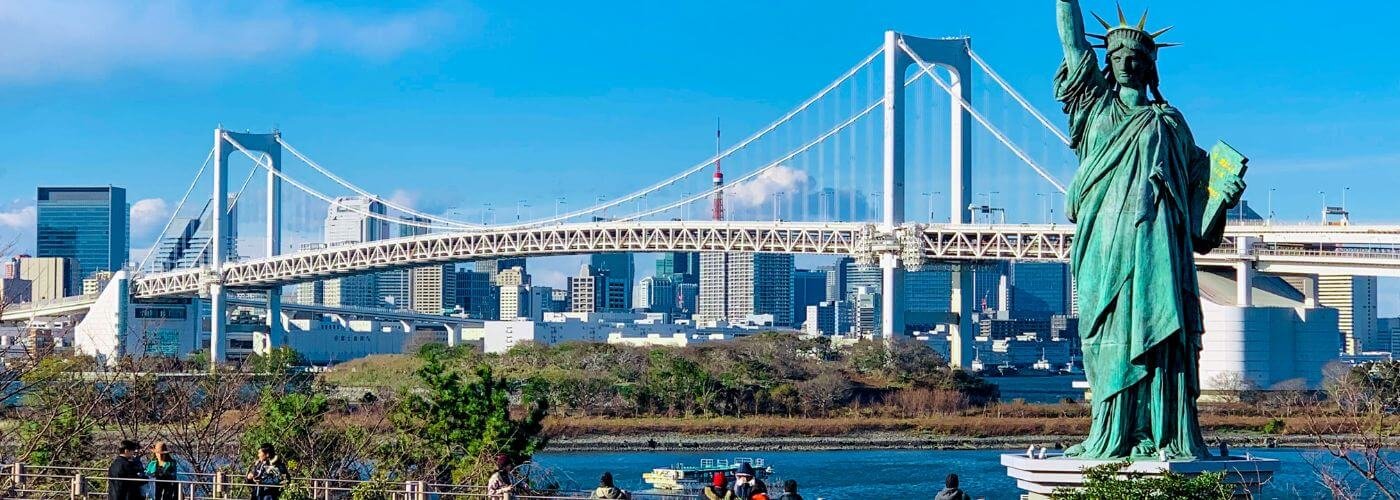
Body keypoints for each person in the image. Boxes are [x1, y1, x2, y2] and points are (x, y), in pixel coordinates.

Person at [1053, 0, 1243, 460]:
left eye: (1136, 57)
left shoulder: (1170, 122)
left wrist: (1222, 194)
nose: (1125, 63)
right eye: (1116, 56)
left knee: (1162, 337)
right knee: (1105, 336)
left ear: (1151, 66)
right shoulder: (1093, 107)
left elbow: (1201, 191)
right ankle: (1110, 431)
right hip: (1104, 241)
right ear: (1105, 63)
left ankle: (1164, 432)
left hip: (1159, 243)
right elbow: (1073, 41)